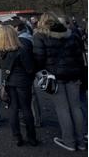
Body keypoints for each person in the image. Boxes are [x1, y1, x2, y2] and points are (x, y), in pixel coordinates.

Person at [33, 12, 85, 152]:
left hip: (54, 77)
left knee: (63, 109)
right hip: (73, 75)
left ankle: (69, 141)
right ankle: (81, 141)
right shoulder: (70, 34)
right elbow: (79, 58)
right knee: (76, 107)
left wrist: (39, 73)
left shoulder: (40, 36)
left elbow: (38, 59)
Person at [0, 25, 38, 147]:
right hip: (22, 81)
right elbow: (29, 68)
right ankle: (31, 137)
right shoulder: (21, 49)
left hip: (7, 81)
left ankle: (16, 136)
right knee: (26, 109)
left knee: (13, 109)